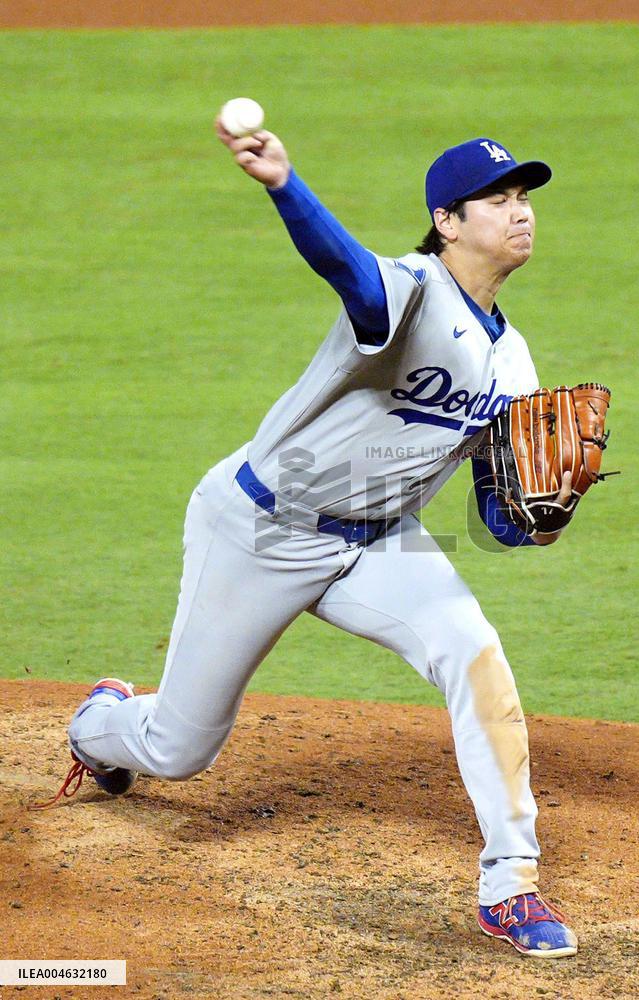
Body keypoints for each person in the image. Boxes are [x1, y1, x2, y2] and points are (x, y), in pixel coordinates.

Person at [51, 123, 578, 958]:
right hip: (258, 530)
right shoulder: (407, 292)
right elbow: (343, 266)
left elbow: (496, 519)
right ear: (447, 219)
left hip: (377, 540)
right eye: (499, 199)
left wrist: (534, 521)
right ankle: (100, 724)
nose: (521, 214)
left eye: (525, 199)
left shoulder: (515, 364)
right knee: (178, 749)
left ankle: (511, 884)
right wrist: (284, 184)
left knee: (476, 654)